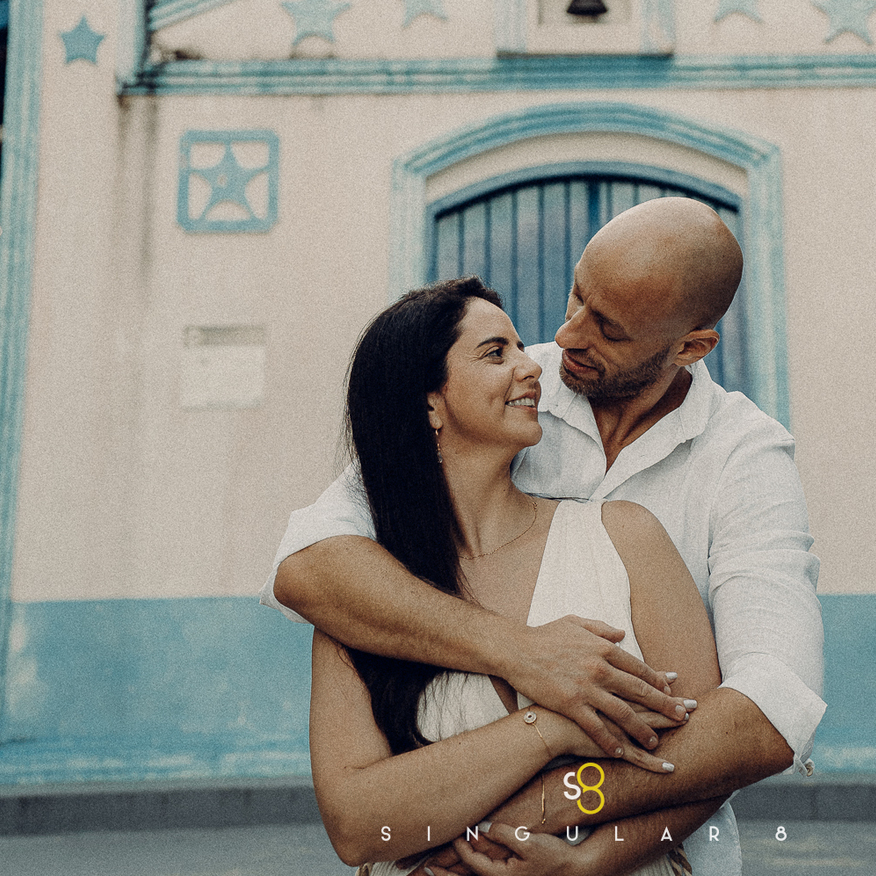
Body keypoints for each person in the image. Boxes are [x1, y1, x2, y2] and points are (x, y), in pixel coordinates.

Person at [267, 198, 824, 876]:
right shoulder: (500, 391)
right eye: (576, 297)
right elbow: (309, 565)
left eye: (608, 329)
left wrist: (548, 823)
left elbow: (762, 715)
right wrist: (523, 656)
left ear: (690, 347)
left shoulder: (739, 462)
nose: (562, 339)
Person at [310, 276, 725, 874]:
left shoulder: (625, 540)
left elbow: (703, 762)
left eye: (521, 348)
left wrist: (591, 859)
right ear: (429, 401)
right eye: (495, 353)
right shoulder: (371, 595)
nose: (533, 368)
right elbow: (355, 826)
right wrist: (550, 727)